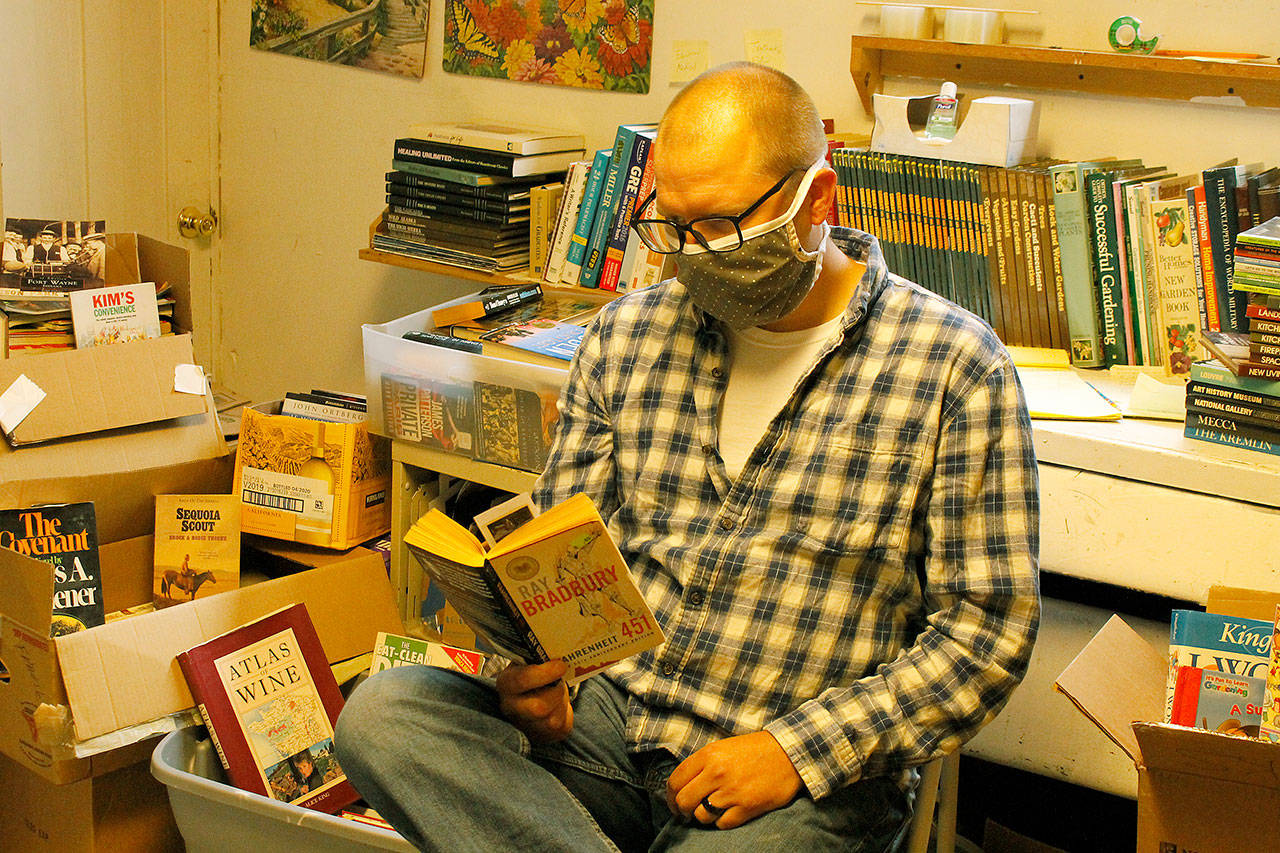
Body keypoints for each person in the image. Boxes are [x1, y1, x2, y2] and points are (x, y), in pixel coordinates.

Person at [336, 61, 1040, 853]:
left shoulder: (955, 367)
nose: (686, 258)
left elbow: (986, 635)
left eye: (716, 226)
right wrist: (538, 678)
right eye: (669, 226)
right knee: (383, 715)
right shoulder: (626, 335)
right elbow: (562, 555)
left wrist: (792, 752)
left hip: (792, 776)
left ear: (817, 202)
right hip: (609, 726)